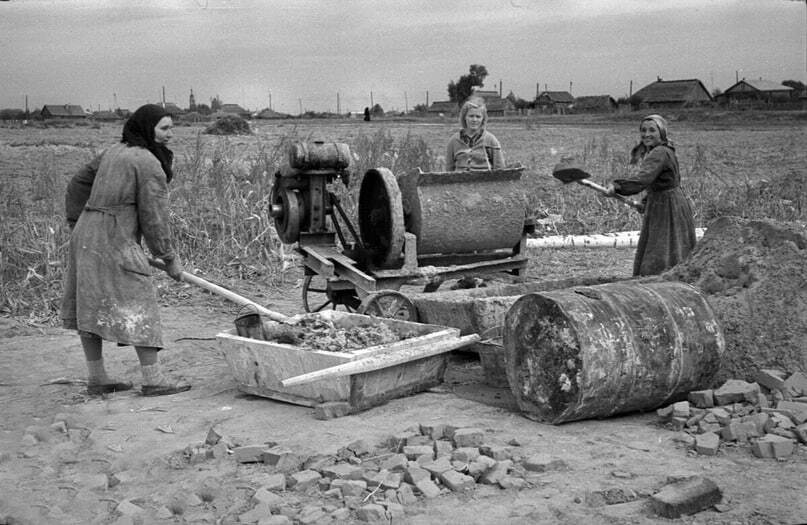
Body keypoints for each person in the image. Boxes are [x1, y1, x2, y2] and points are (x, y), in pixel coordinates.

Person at [61, 104, 191, 396]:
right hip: (113, 237)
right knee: (139, 297)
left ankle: (98, 378)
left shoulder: (113, 151)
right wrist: (169, 257)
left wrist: (80, 222)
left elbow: (76, 185)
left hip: (87, 233)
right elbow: (154, 218)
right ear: (148, 129)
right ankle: (154, 379)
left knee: (89, 302)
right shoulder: (146, 163)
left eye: (172, 127)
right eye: (164, 128)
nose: (171, 134)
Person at [605, 114, 696, 276]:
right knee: (673, 248)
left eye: (652, 130)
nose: (646, 134)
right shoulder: (665, 150)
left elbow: (642, 179)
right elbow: (661, 181)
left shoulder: (659, 153)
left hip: (667, 207)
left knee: (660, 248)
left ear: (662, 132)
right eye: (643, 130)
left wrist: (617, 186)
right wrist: (646, 202)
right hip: (671, 203)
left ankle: (658, 284)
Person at [445, 97, 504, 171]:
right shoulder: (454, 141)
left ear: (483, 119)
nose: (474, 120)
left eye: (478, 117)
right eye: (471, 116)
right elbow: (449, 170)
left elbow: (500, 169)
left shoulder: (491, 140)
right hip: (460, 181)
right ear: (464, 117)